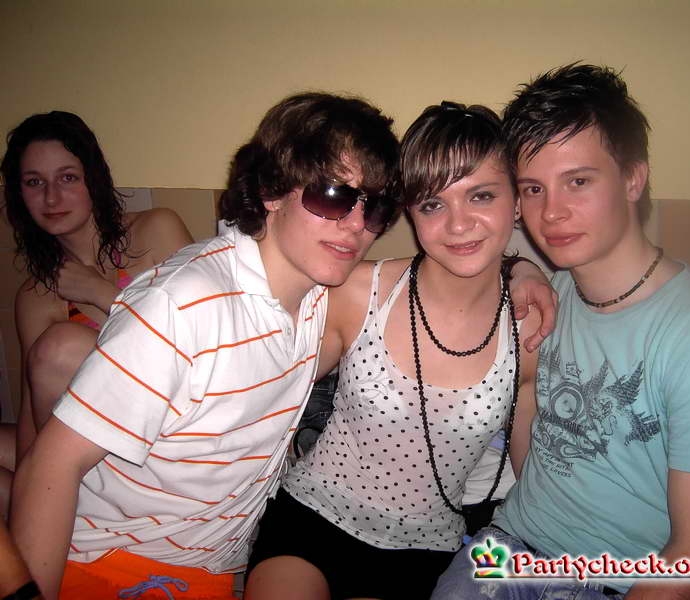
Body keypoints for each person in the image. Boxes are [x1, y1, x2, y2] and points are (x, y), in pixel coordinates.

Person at [9, 93, 403, 599]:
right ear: (272, 190)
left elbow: (429, 277)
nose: (356, 224)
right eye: (332, 195)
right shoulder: (184, 305)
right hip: (116, 563)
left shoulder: (315, 294)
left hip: (208, 566)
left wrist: (499, 260)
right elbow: (51, 465)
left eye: (376, 206)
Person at [432, 64, 690, 600]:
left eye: (578, 181)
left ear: (633, 178)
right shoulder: (554, 295)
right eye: (534, 189)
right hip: (511, 548)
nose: (552, 213)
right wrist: (521, 274)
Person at [246, 102, 541, 600]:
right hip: (313, 518)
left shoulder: (528, 327)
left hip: (424, 549)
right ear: (410, 212)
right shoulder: (360, 291)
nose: (458, 224)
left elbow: (532, 473)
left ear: (515, 202)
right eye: (433, 204)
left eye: (481, 196)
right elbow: (266, 388)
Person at [1, 111, 194, 465]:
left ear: (94, 178)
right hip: (88, 448)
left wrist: (101, 293)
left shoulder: (156, 231)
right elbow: (34, 407)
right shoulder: (35, 296)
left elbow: (203, 345)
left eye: (68, 178)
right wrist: (29, 481)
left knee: (62, 345)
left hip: (169, 432)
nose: (51, 198)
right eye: (34, 182)